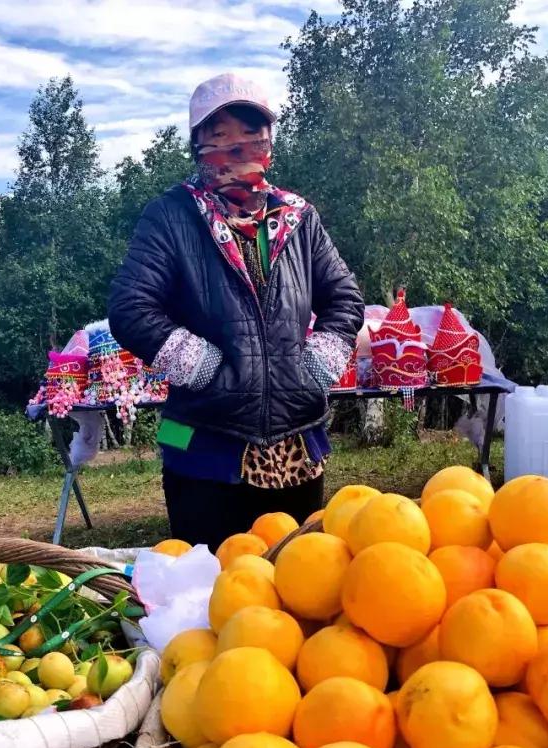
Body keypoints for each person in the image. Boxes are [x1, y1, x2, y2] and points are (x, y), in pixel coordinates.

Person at [108, 73, 364, 550]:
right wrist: (199, 365)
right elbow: (130, 306)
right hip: (204, 444)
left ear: (269, 141)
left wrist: (319, 361)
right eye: (220, 136)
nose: (238, 148)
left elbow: (344, 296)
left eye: (251, 135)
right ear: (197, 144)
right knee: (211, 592)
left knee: (298, 586)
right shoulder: (171, 215)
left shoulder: (297, 217)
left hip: (297, 444)